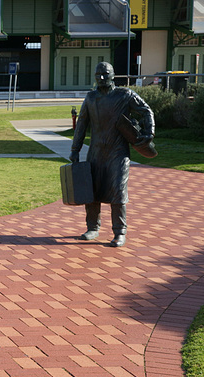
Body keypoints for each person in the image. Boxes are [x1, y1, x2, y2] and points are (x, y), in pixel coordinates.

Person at [70, 62, 154, 247]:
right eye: (97, 74)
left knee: (118, 190)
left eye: (105, 74)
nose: (101, 78)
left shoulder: (124, 95)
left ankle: (119, 232)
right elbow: (81, 125)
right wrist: (75, 150)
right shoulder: (91, 98)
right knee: (92, 191)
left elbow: (146, 110)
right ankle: (92, 227)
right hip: (96, 152)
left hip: (118, 152)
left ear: (113, 75)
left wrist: (149, 133)